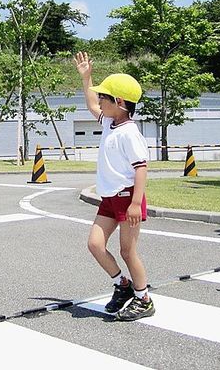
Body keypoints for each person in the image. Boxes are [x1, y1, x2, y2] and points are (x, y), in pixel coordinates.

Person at [73, 51, 154, 321]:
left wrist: (134, 203)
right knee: (95, 244)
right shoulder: (110, 122)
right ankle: (123, 285)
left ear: (119, 102)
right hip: (108, 198)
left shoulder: (130, 133)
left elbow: (141, 168)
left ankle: (144, 299)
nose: (99, 100)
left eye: (104, 97)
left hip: (128, 197)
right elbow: (91, 106)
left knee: (127, 250)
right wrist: (87, 78)